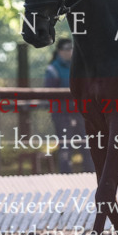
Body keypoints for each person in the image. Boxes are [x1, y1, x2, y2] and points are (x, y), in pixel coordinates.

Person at [44, 38, 93, 173]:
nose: (69, 51)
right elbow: (49, 94)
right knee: (65, 148)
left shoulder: (78, 67)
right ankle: (66, 178)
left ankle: (91, 176)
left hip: (81, 114)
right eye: (66, 49)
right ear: (59, 51)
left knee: (87, 146)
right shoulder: (52, 69)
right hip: (62, 115)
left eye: (71, 49)